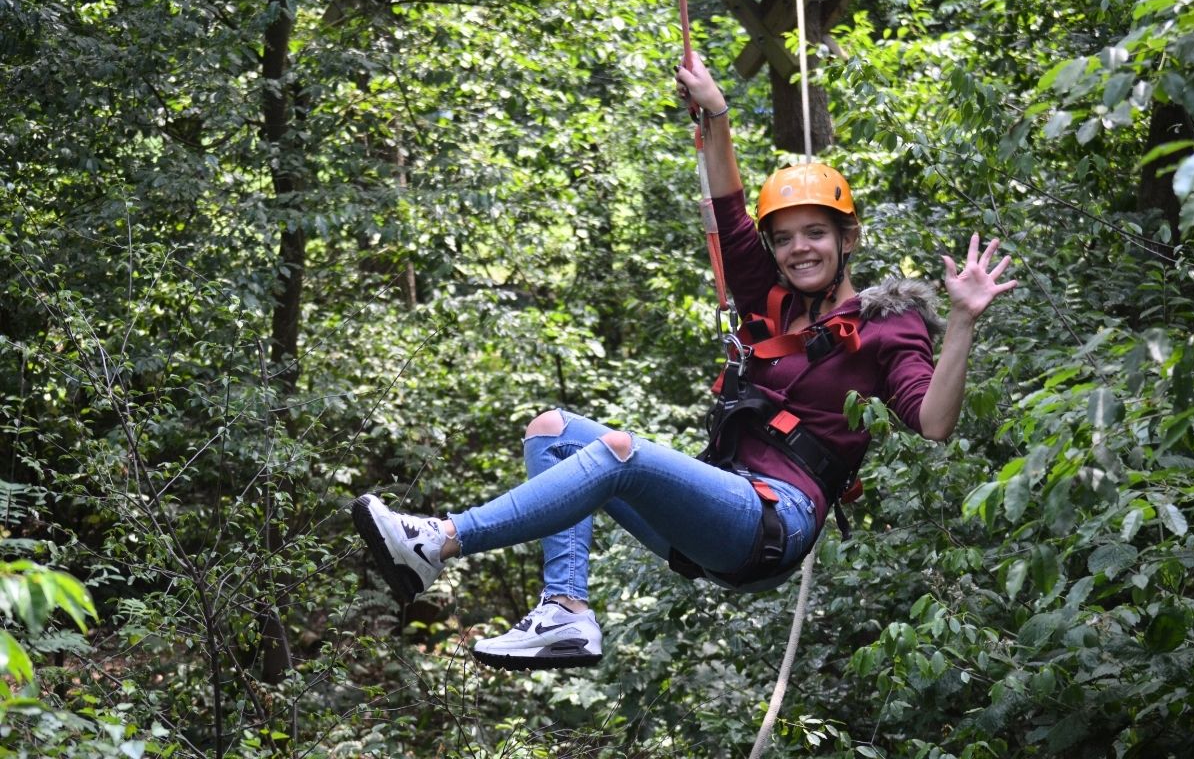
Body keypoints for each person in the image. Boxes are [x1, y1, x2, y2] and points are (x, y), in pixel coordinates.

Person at [350, 53, 1017, 671]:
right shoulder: (771, 301)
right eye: (784, 239)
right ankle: (565, 612)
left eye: (816, 233)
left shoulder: (884, 324)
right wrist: (717, 114)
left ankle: (439, 541)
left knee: (619, 451)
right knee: (551, 430)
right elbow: (729, 212)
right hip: (724, 498)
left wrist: (961, 321)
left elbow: (933, 422)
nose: (800, 249)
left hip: (774, 521)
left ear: (848, 238)